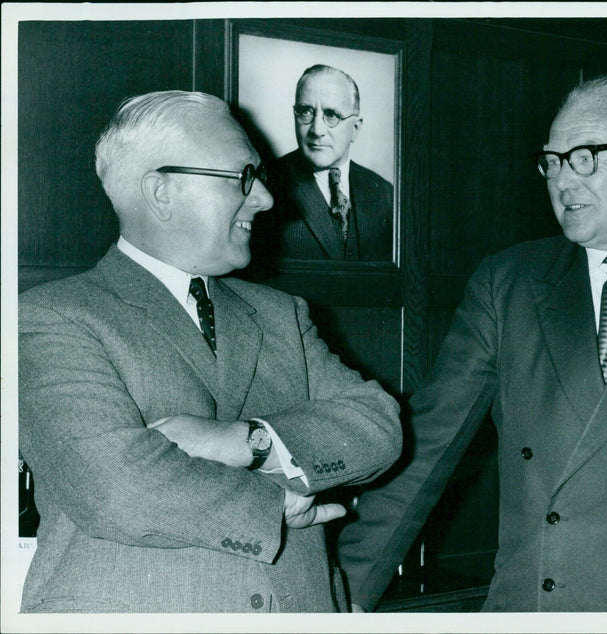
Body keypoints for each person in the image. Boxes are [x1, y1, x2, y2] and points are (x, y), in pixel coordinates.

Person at [336, 74, 607, 612]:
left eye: (585, 156)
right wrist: (344, 595)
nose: (563, 181)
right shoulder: (509, 284)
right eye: (553, 161)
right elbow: (427, 445)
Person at [17, 90, 402, 613]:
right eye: (244, 177)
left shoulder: (281, 313)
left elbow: (378, 427)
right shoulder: (49, 318)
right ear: (161, 192)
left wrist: (252, 442)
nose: (265, 198)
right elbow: (118, 489)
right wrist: (278, 504)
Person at [252, 64, 393, 262]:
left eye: (332, 115)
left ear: (356, 128)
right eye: (306, 111)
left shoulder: (384, 192)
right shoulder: (266, 184)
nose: (317, 130)